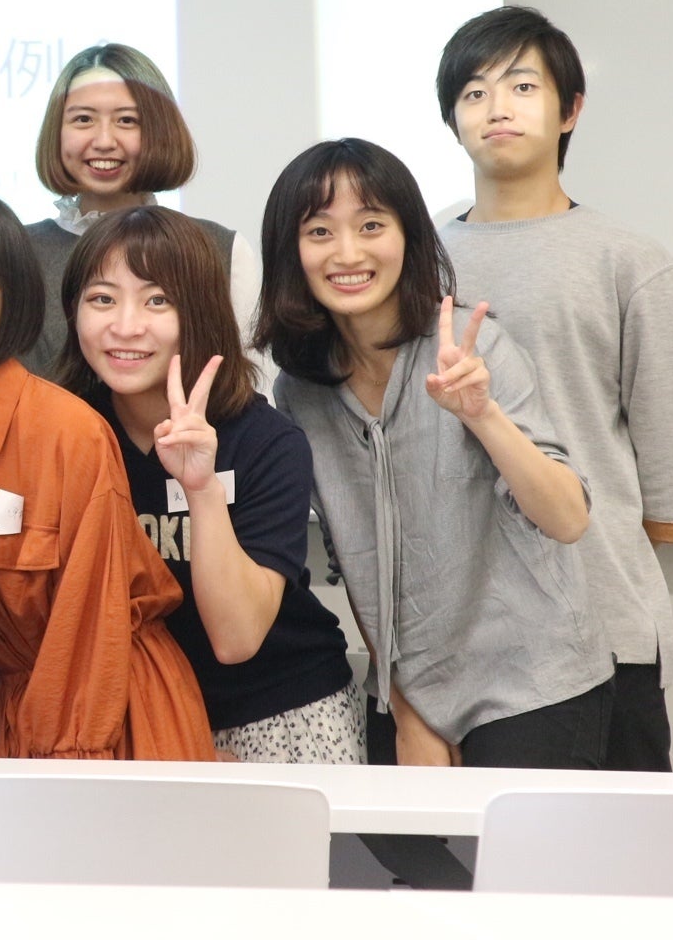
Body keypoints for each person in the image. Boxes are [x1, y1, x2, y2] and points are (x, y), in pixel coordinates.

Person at [257, 138, 611, 769]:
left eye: (372, 225)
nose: (348, 253)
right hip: (411, 691)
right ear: (291, 251)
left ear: (409, 236)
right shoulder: (300, 390)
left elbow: (568, 518)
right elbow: (352, 558)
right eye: (319, 231)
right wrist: (404, 706)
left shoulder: (477, 350)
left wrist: (483, 415)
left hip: (533, 683)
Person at [0, 189, 214, 760]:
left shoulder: (67, 433)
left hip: (104, 729)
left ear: (9, 288)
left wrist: (54, 773)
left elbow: (89, 633)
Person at [434, 6, 673, 772]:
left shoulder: (630, 261)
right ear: (451, 118)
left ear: (570, 110)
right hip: (465, 637)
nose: (496, 107)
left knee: (620, 845)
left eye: (521, 86)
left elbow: (663, 492)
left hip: (605, 625)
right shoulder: (418, 259)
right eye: (473, 92)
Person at [57, 205, 360, 762]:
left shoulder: (266, 442)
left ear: (199, 312)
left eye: (157, 301)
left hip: (274, 712)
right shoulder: (65, 433)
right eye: (102, 299)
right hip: (134, 714)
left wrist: (201, 489)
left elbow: (236, 639)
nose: (125, 325)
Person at [18, 44, 259, 378]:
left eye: (127, 120)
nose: (104, 141)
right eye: (83, 119)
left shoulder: (220, 247)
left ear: (159, 131)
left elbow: (248, 386)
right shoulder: (15, 251)